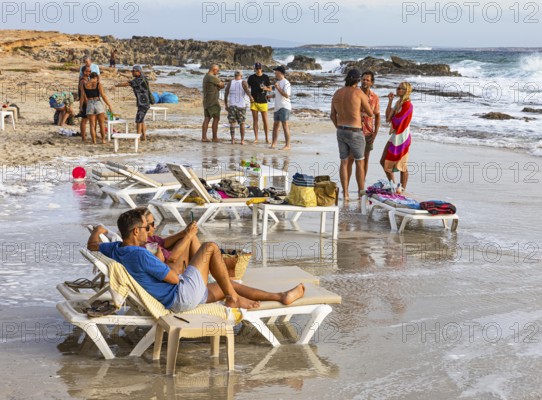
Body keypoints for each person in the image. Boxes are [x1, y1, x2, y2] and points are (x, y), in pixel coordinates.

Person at [87, 209, 305, 312]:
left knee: (227, 285)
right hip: (179, 296)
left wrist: (97, 231)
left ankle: (281, 296)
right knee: (210, 247)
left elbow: (92, 245)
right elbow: (173, 278)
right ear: (135, 231)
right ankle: (233, 298)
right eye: (146, 228)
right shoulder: (142, 254)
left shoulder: (116, 249)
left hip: (175, 298)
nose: (149, 231)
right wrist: (170, 264)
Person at [137, 207, 241, 277]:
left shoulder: (148, 239)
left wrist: (184, 232)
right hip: (174, 274)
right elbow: (172, 258)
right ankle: (215, 268)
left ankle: (213, 267)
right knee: (193, 239)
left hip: (174, 267)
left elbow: (164, 242)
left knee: (190, 237)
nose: (155, 226)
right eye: (152, 224)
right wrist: (188, 235)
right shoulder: (143, 246)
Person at [330, 68, 373, 201]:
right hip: (355, 131)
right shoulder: (358, 93)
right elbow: (370, 112)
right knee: (360, 162)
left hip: (341, 130)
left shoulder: (337, 93)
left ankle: (346, 194)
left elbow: (332, 115)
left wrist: (339, 127)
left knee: (344, 162)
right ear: (358, 80)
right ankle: (361, 193)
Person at [347, 71, 380, 183]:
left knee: (365, 159)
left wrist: (375, 133)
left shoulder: (374, 97)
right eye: (363, 79)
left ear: (372, 82)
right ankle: (345, 185)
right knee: (350, 159)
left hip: (368, 132)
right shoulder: (354, 93)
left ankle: (362, 186)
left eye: (367, 80)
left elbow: (377, 115)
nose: (365, 82)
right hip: (354, 131)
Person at [381, 81, 413, 194]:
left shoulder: (408, 105)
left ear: (406, 91)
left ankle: (401, 189)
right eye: (397, 88)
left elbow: (398, 120)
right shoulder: (398, 102)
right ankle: (393, 185)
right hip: (395, 135)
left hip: (403, 137)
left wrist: (392, 116)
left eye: (400, 89)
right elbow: (387, 118)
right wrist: (389, 102)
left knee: (402, 165)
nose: (397, 90)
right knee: (383, 161)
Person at [114, 65, 153, 141]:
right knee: (141, 119)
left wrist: (116, 85)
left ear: (139, 72)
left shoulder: (139, 79)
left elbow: (127, 83)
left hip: (143, 103)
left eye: (133, 71)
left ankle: (138, 138)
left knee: (138, 120)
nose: (132, 73)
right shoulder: (142, 78)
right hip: (144, 102)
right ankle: (143, 136)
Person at [80, 72, 112, 144]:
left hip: (90, 103)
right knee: (101, 123)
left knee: (92, 124)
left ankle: (94, 141)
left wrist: (81, 107)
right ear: (96, 77)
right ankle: (103, 140)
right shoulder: (98, 84)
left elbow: (82, 97)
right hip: (98, 103)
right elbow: (103, 96)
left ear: (90, 77)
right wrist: (109, 105)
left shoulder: (84, 84)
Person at [224, 70, 253, 144]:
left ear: (234, 75)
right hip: (241, 106)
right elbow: (247, 91)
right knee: (242, 123)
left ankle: (233, 140)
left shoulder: (230, 82)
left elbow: (226, 93)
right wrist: (250, 97)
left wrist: (226, 105)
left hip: (232, 105)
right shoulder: (243, 82)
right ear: (241, 76)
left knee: (232, 123)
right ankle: (242, 140)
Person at [247, 63, 272, 144]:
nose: (258, 70)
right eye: (257, 68)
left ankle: (267, 138)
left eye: (259, 68)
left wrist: (266, 88)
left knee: (265, 120)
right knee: (255, 120)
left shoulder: (265, 77)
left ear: (262, 68)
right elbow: (247, 88)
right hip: (254, 101)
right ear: (254, 69)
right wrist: (250, 96)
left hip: (263, 101)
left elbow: (270, 89)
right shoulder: (251, 77)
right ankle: (256, 138)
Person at [269, 66, 292, 150]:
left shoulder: (286, 82)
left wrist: (277, 87)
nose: (275, 73)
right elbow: (277, 94)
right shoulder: (278, 82)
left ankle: (287, 145)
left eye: (276, 71)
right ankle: (274, 144)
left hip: (284, 106)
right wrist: (270, 96)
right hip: (277, 106)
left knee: (285, 125)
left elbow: (286, 95)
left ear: (280, 72)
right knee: (275, 125)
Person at [202, 64, 224, 142]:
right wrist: (220, 84)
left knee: (207, 118)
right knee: (216, 118)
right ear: (214, 69)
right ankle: (214, 137)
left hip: (206, 100)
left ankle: (204, 137)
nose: (217, 72)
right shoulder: (212, 77)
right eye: (217, 70)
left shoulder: (206, 76)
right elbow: (221, 85)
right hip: (213, 101)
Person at [78, 66, 92, 143]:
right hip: (85, 102)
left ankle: (85, 136)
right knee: (84, 120)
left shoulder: (87, 79)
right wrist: (86, 104)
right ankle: (83, 137)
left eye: (90, 71)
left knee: (87, 120)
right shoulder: (83, 81)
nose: (89, 73)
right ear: (84, 72)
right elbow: (84, 94)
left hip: (88, 102)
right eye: (88, 71)